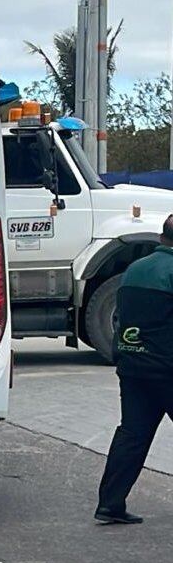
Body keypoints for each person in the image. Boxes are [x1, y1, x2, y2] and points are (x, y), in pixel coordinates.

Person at [95, 213, 173, 525]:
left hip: (132, 365)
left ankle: (110, 504)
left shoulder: (134, 270)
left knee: (132, 434)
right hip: (167, 369)